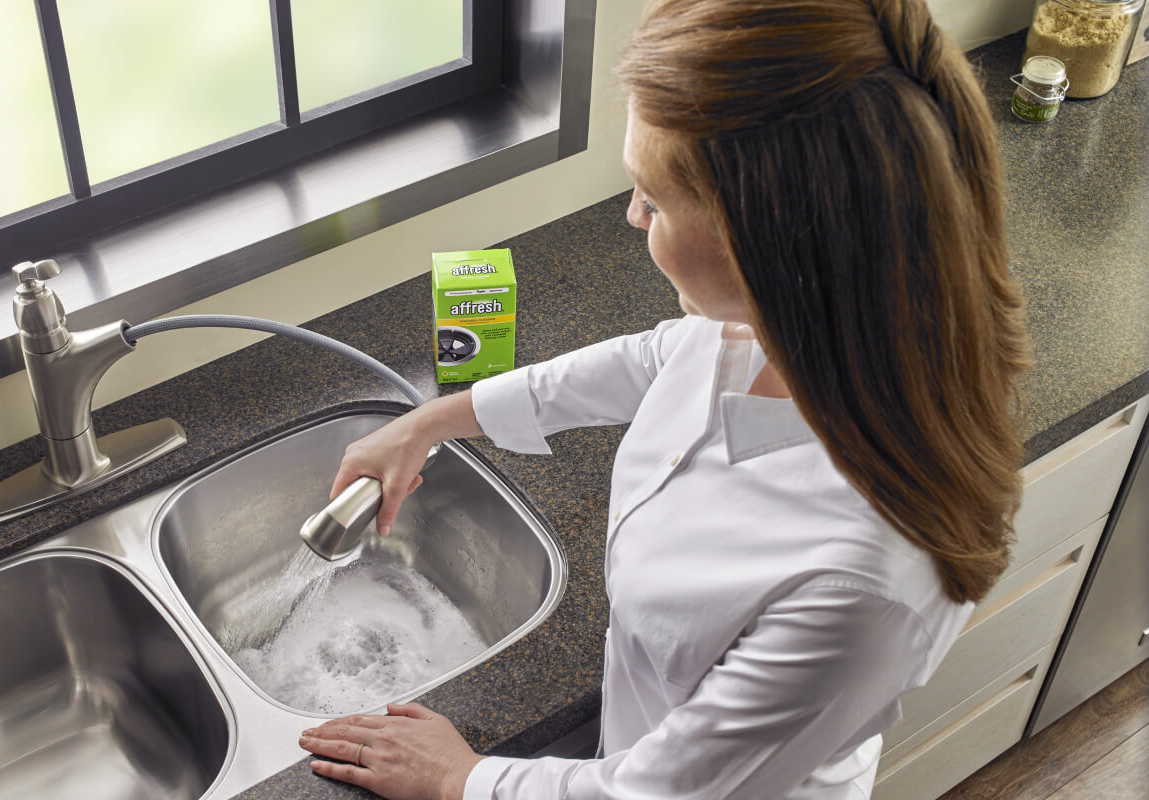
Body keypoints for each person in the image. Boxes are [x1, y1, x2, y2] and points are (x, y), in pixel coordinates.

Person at [297, 0, 1033, 796]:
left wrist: (459, 779)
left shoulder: (861, 590)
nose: (631, 214)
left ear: (761, 239)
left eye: (653, 200)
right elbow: (655, 359)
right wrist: (430, 423)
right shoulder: (806, 323)